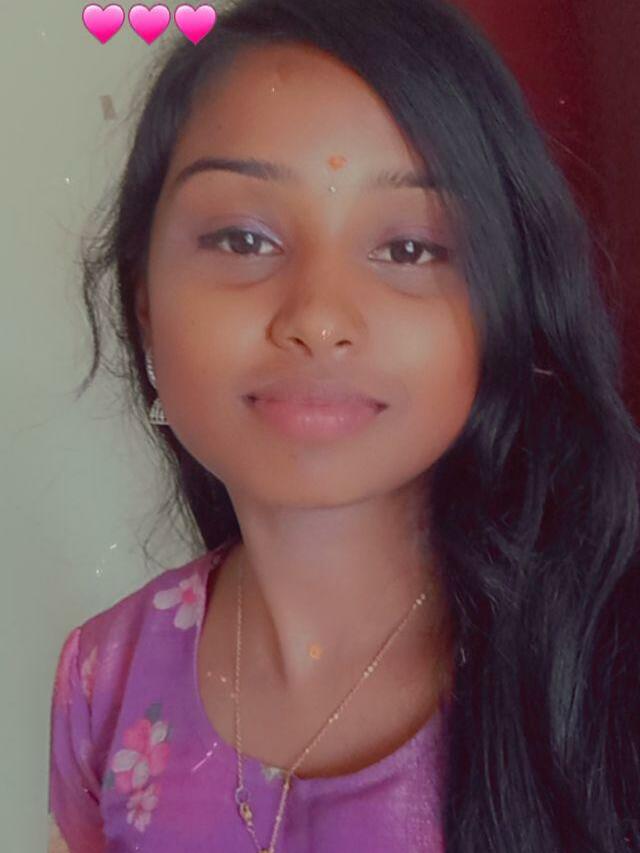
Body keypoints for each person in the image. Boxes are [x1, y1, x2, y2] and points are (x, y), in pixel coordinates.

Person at [48, 0, 640, 850]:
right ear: (144, 300)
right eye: (243, 238)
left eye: (408, 248)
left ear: (506, 309)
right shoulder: (101, 682)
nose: (320, 318)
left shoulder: (605, 672)